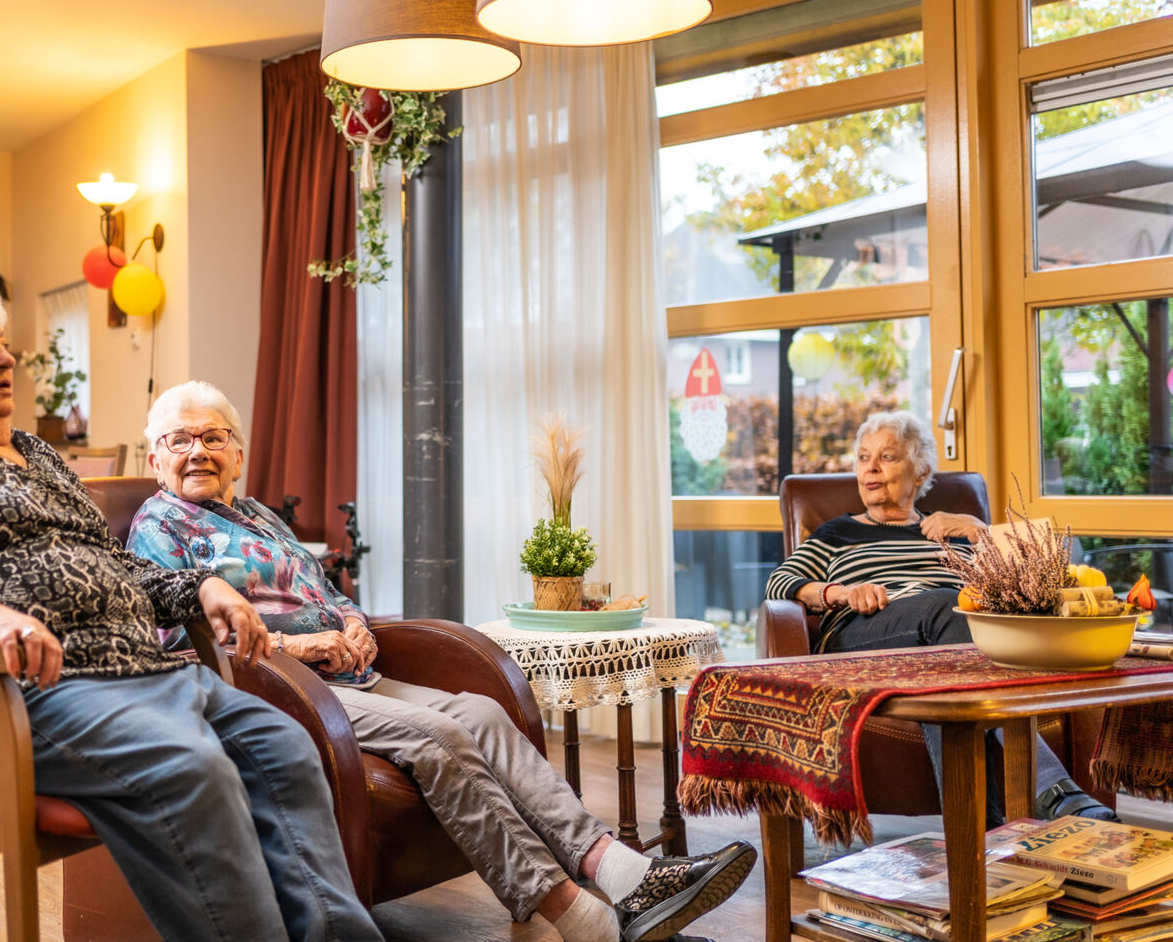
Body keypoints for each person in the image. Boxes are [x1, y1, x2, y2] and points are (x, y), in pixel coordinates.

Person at [0, 278, 382, 942]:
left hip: (140, 679)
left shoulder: (36, 454)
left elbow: (112, 567)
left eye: (2, 341)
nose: (6, 358)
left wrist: (199, 585)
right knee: (187, 766)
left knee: (281, 744)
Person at [128, 380, 755, 942]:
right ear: (155, 457)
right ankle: (578, 914)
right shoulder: (160, 525)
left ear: (237, 452)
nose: (197, 451)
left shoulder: (259, 515)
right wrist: (300, 646)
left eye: (213, 436)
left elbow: (325, 590)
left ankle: (618, 872)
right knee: (438, 734)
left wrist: (352, 621)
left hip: (350, 673)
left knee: (480, 711)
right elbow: (178, 641)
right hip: (279, 688)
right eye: (179, 439)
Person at [765, 409, 1117, 823]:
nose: (871, 469)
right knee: (945, 606)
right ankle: (1056, 794)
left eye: (888, 457)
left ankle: (984, 842)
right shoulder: (836, 533)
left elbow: (1053, 567)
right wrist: (839, 592)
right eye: (863, 457)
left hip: (943, 643)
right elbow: (780, 582)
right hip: (864, 634)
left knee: (944, 681)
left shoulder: (950, 530)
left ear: (921, 471)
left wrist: (979, 531)